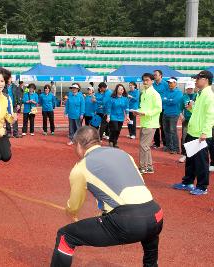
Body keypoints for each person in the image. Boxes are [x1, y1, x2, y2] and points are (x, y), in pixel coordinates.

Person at [50, 126, 163, 267]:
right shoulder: (123, 154)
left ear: (79, 145)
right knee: (150, 237)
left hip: (128, 222)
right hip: (155, 214)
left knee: (66, 236)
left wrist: (70, 212)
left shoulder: (80, 167)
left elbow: (74, 205)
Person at [173, 70, 214, 195]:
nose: (195, 81)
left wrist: (205, 133)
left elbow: (210, 115)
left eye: (197, 79)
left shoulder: (209, 95)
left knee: (201, 162)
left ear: (205, 80)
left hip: (201, 134)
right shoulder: (200, 94)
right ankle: (188, 182)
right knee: (190, 160)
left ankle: (202, 187)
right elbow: (200, 111)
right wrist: (192, 107)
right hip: (193, 131)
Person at [133, 73, 162, 174]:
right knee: (145, 146)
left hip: (150, 123)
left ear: (152, 81)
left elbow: (158, 109)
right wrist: (137, 111)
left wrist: (145, 113)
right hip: (145, 122)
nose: (145, 82)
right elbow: (143, 107)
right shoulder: (144, 92)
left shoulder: (155, 94)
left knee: (143, 146)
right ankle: (149, 167)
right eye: (144, 80)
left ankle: (142, 167)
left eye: (147, 80)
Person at [162, 77, 183, 154]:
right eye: (169, 83)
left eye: (171, 83)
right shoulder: (166, 91)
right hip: (165, 113)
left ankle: (175, 148)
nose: (169, 84)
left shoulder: (179, 92)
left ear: (175, 83)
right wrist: (169, 100)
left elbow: (174, 101)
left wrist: (167, 100)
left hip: (174, 114)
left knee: (172, 131)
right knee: (166, 131)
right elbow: (162, 99)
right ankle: (169, 146)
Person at [178, 81, 197, 163]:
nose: (190, 90)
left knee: (195, 138)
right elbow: (179, 108)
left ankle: (193, 155)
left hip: (196, 120)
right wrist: (181, 115)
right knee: (185, 137)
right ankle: (184, 154)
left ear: (194, 88)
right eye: (188, 88)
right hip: (186, 120)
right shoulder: (183, 97)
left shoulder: (197, 96)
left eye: (191, 88)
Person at [152, 70, 169, 149]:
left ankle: (165, 144)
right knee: (155, 125)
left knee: (163, 126)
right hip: (154, 108)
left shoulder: (166, 84)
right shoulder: (153, 85)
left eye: (156, 75)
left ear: (160, 75)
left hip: (163, 108)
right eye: (154, 75)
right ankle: (157, 143)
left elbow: (169, 94)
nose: (154, 76)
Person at [3, 74, 22, 138]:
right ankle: (8, 132)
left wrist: (19, 104)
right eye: (7, 78)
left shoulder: (15, 86)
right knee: (7, 119)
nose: (8, 80)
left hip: (13, 105)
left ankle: (15, 132)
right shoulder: (3, 86)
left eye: (9, 78)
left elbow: (18, 95)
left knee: (15, 119)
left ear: (11, 79)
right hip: (5, 105)